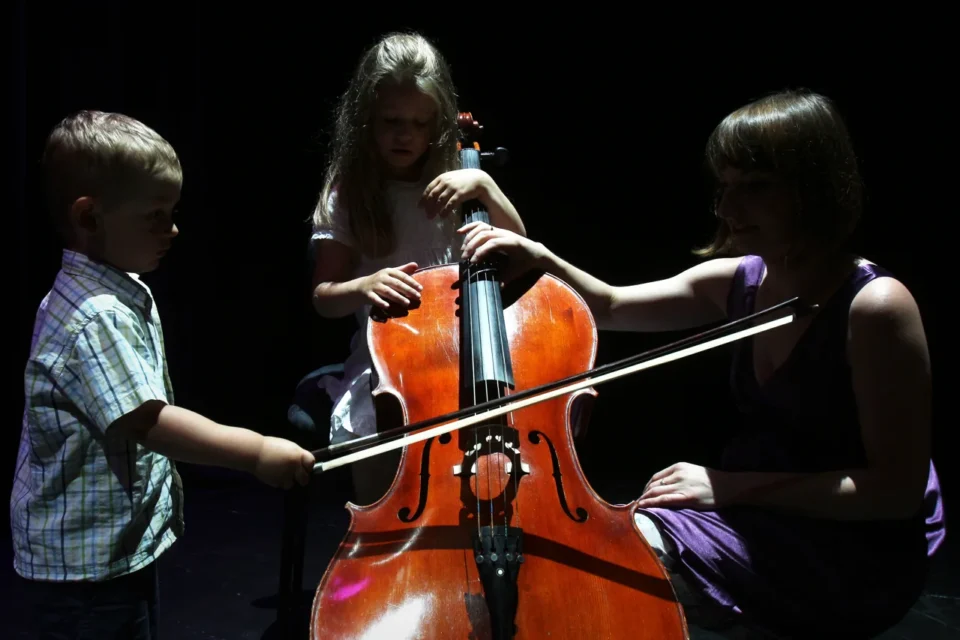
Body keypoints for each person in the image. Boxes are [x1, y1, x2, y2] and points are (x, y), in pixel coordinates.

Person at [459, 88, 946, 637]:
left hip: (853, 548)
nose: (726, 209)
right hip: (762, 514)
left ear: (814, 187)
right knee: (594, 553)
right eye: (725, 187)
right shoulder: (742, 281)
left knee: (618, 564)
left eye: (755, 188)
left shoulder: (875, 307)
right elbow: (612, 305)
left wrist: (728, 486)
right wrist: (540, 256)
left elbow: (893, 492)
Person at [11, 110, 316, 639]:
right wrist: (258, 453)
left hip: (110, 553)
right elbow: (150, 423)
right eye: (155, 215)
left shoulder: (113, 289)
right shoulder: (96, 314)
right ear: (89, 217)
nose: (172, 230)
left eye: (172, 212)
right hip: (86, 572)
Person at [308, 32, 527, 504]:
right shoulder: (349, 192)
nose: (404, 134)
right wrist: (364, 285)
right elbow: (323, 295)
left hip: (469, 350)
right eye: (391, 121)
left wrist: (486, 187)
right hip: (388, 365)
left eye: (418, 123)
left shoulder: (461, 181)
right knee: (380, 472)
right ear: (365, 119)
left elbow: (523, 252)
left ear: (438, 124)